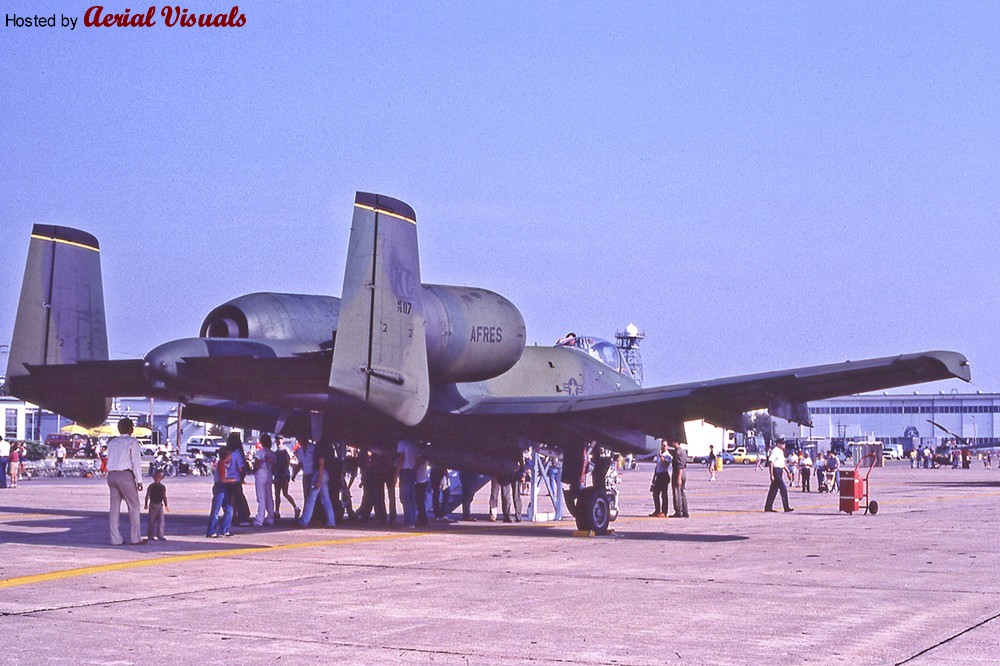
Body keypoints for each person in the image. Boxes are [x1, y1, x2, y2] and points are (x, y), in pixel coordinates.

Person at [106, 417, 145, 545]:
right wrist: (139, 480)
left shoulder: (112, 442)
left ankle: (115, 539)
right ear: (131, 428)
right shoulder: (132, 442)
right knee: (134, 506)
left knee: (114, 508)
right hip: (125, 475)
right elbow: (136, 463)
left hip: (112, 475)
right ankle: (135, 538)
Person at [299, 440, 337, 528]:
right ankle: (331, 521)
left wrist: (319, 479)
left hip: (319, 474)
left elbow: (321, 463)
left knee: (311, 498)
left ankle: (304, 520)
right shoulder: (327, 447)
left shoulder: (319, 447)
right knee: (326, 499)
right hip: (325, 474)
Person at [207, 446, 238, 537]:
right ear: (227, 456)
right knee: (216, 510)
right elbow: (222, 479)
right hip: (220, 487)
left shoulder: (224, 465)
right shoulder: (221, 464)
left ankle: (224, 529)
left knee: (229, 510)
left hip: (223, 488)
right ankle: (211, 531)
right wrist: (232, 480)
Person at [226, 432, 252, 525]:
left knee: (230, 499)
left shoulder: (227, 452)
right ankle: (241, 517)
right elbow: (241, 468)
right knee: (238, 498)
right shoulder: (238, 453)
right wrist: (243, 475)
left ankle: (231, 517)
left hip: (227, 478)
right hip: (236, 479)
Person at [252, 434, 276, 526]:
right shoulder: (272, 454)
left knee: (261, 497)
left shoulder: (259, 453)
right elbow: (274, 466)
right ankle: (271, 517)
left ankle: (259, 519)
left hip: (260, 474)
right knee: (269, 497)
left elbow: (256, 465)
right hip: (269, 474)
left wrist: (253, 471)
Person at [273, 436, 299, 521]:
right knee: (277, 494)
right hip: (278, 474)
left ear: (282, 440)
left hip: (283, 474)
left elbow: (288, 461)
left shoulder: (285, 450)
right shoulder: (276, 450)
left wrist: (285, 472)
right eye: (277, 439)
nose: (278, 441)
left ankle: (296, 507)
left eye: (280, 439)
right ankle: (277, 511)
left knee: (285, 493)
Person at [765, 440, 793, 513]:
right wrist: (771, 474)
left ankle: (768, 507)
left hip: (780, 470)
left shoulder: (781, 452)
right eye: (783, 443)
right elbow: (771, 462)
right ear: (778, 444)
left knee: (773, 490)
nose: (784, 445)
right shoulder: (775, 451)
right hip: (776, 471)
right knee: (783, 488)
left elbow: (782, 464)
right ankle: (786, 507)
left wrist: (788, 472)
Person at [396, 439, 419, 529]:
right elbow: (418, 458)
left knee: (405, 498)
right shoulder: (413, 444)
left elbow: (401, 457)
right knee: (411, 498)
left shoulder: (402, 443)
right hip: (412, 471)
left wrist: (397, 472)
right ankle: (413, 520)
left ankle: (409, 522)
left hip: (405, 470)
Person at [144, 470, 169, 541]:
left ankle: (160, 535)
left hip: (159, 505)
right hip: (152, 505)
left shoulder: (162, 487)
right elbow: (147, 495)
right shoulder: (151, 486)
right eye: (157, 477)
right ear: (154, 477)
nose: (158, 478)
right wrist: (146, 504)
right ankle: (150, 535)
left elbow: (164, 496)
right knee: (151, 521)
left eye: (160, 477)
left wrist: (166, 505)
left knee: (161, 521)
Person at [649, 441, 671, 517]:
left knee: (664, 494)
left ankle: (664, 512)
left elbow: (666, 464)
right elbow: (657, 466)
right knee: (655, 494)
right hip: (658, 474)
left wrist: (663, 459)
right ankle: (657, 510)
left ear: (667, 446)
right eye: (662, 445)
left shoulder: (668, 455)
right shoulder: (659, 454)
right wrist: (654, 476)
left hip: (664, 475)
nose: (663, 447)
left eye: (664, 445)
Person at [670, 440, 689, 518]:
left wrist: (678, 478)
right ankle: (685, 511)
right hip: (683, 473)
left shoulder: (678, 452)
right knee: (682, 492)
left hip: (678, 473)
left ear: (676, 442)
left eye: (672, 442)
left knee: (677, 492)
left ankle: (678, 511)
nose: (671, 443)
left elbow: (680, 466)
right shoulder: (683, 451)